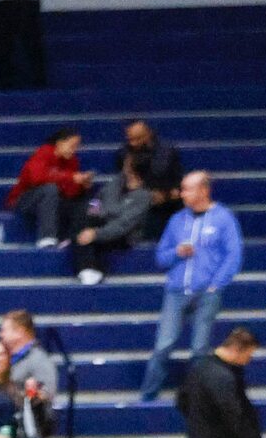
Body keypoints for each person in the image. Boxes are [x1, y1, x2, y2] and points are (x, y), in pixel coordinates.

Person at [135, 171, 243, 401]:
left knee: (199, 349)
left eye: (187, 189)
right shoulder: (176, 220)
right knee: (163, 346)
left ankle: (196, 399)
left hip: (207, 293)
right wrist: (176, 252)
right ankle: (147, 395)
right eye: (182, 188)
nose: (181, 193)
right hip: (176, 291)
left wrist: (216, 285)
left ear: (203, 190)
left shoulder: (223, 218)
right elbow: (161, 258)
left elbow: (233, 255)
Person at [70, 157, 158, 284]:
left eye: (127, 165)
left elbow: (123, 225)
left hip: (124, 235)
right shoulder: (117, 181)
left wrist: (96, 233)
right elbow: (97, 199)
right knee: (81, 218)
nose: (124, 166)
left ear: (134, 171)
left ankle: (92, 269)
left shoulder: (144, 196)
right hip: (102, 222)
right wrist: (92, 214)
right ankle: (88, 269)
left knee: (88, 237)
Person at [5, 130, 89, 248]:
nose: (74, 150)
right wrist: (69, 177)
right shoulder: (44, 153)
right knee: (50, 189)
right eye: (72, 145)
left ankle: (73, 238)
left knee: (78, 203)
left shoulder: (72, 161)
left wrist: (81, 186)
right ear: (59, 143)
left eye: (76, 147)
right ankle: (46, 237)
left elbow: (69, 193)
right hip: (23, 200)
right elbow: (36, 178)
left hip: (51, 201)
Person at [119, 120, 185, 215]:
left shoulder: (166, 152)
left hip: (167, 203)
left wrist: (164, 194)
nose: (133, 143)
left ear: (148, 135)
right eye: (130, 139)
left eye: (138, 139)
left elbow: (162, 174)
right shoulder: (124, 153)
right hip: (137, 206)